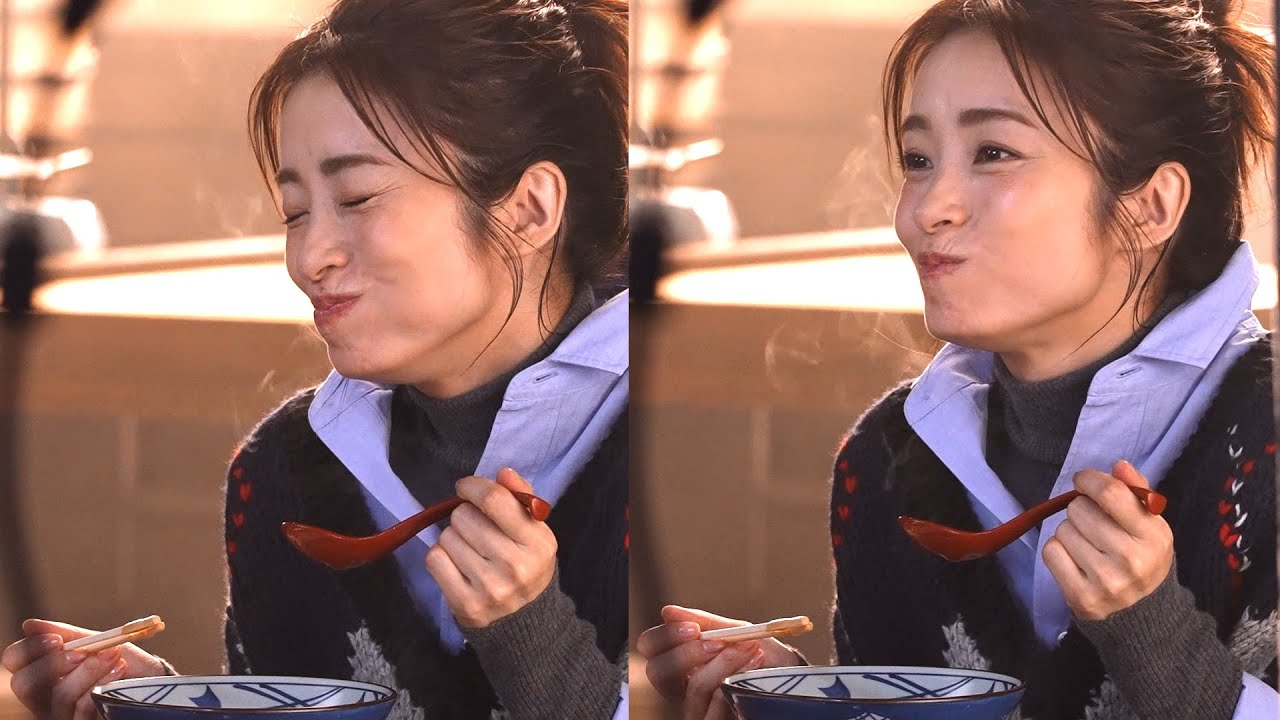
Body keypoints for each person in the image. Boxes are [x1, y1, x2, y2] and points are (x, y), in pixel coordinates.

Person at [638, 0, 1277, 718]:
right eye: (918, 160)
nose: (926, 209)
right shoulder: (887, 464)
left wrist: (1157, 639)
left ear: (1151, 205)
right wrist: (806, 697)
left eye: (993, 153)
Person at [3, 1, 629, 719]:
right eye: (295, 212)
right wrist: (170, 706)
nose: (308, 258)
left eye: (357, 197)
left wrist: (534, 640)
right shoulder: (284, 468)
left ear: (528, 210)